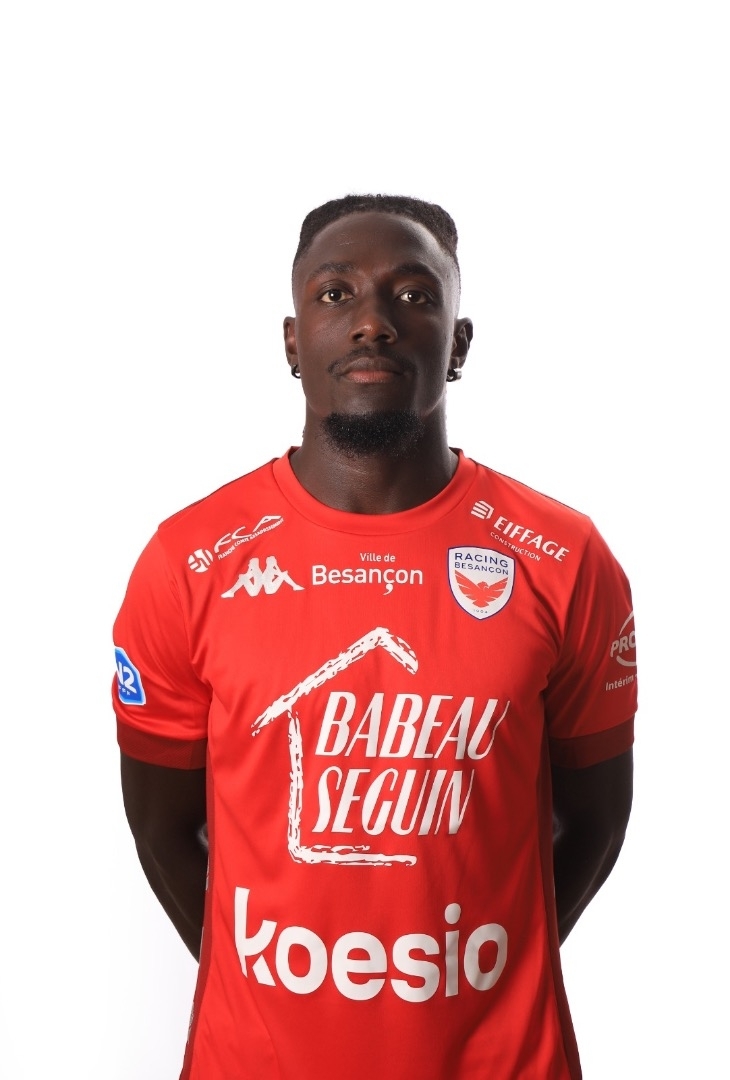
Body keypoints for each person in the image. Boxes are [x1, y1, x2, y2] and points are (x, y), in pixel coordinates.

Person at [113, 194, 637, 1080]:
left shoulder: (564, 557)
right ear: (292, 343)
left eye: (413, 295)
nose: (372, 322)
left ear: (458, 345)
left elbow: (594, 818)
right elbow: (163, 826)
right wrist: (282, 992)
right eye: (336, 294)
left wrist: (478, 975)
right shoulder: (189, 561)